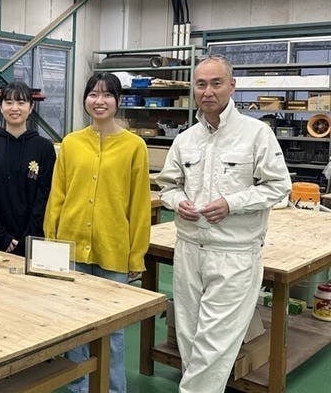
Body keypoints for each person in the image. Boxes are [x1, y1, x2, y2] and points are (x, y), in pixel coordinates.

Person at [156, 55, 291, 393]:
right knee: (189, 339)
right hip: (189, 250)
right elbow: (168, 186)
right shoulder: (185, 139)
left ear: (232, 85)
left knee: (213, 347)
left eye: (216, 83)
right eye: (201, 84)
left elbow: (279, 186)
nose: (208, 91)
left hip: (234, 254)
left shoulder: (256, 134)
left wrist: (232, 204)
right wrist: (178, 202)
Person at [43, 72, 152, 393]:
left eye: (107, 95)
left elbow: (139, 205)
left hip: (113, 248)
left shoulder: (135, 146)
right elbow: (57, 196)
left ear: (118, 101)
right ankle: (78, 387)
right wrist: (51, 244)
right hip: (71, 245)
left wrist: (136, 255)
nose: (99, 101)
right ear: (85, 100)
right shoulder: (71, 143)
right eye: (93, 94)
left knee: (112, 329)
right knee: (74, 325)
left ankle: (113, 388)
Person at [0, 81, 56, 256]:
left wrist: (29, 238)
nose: (14, 108)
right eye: (9, 102)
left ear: (31, 108)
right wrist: (0, 237)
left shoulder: (44, 148)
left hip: (32, 243)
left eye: (21, 102)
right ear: (1, 106)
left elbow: (45, 196)